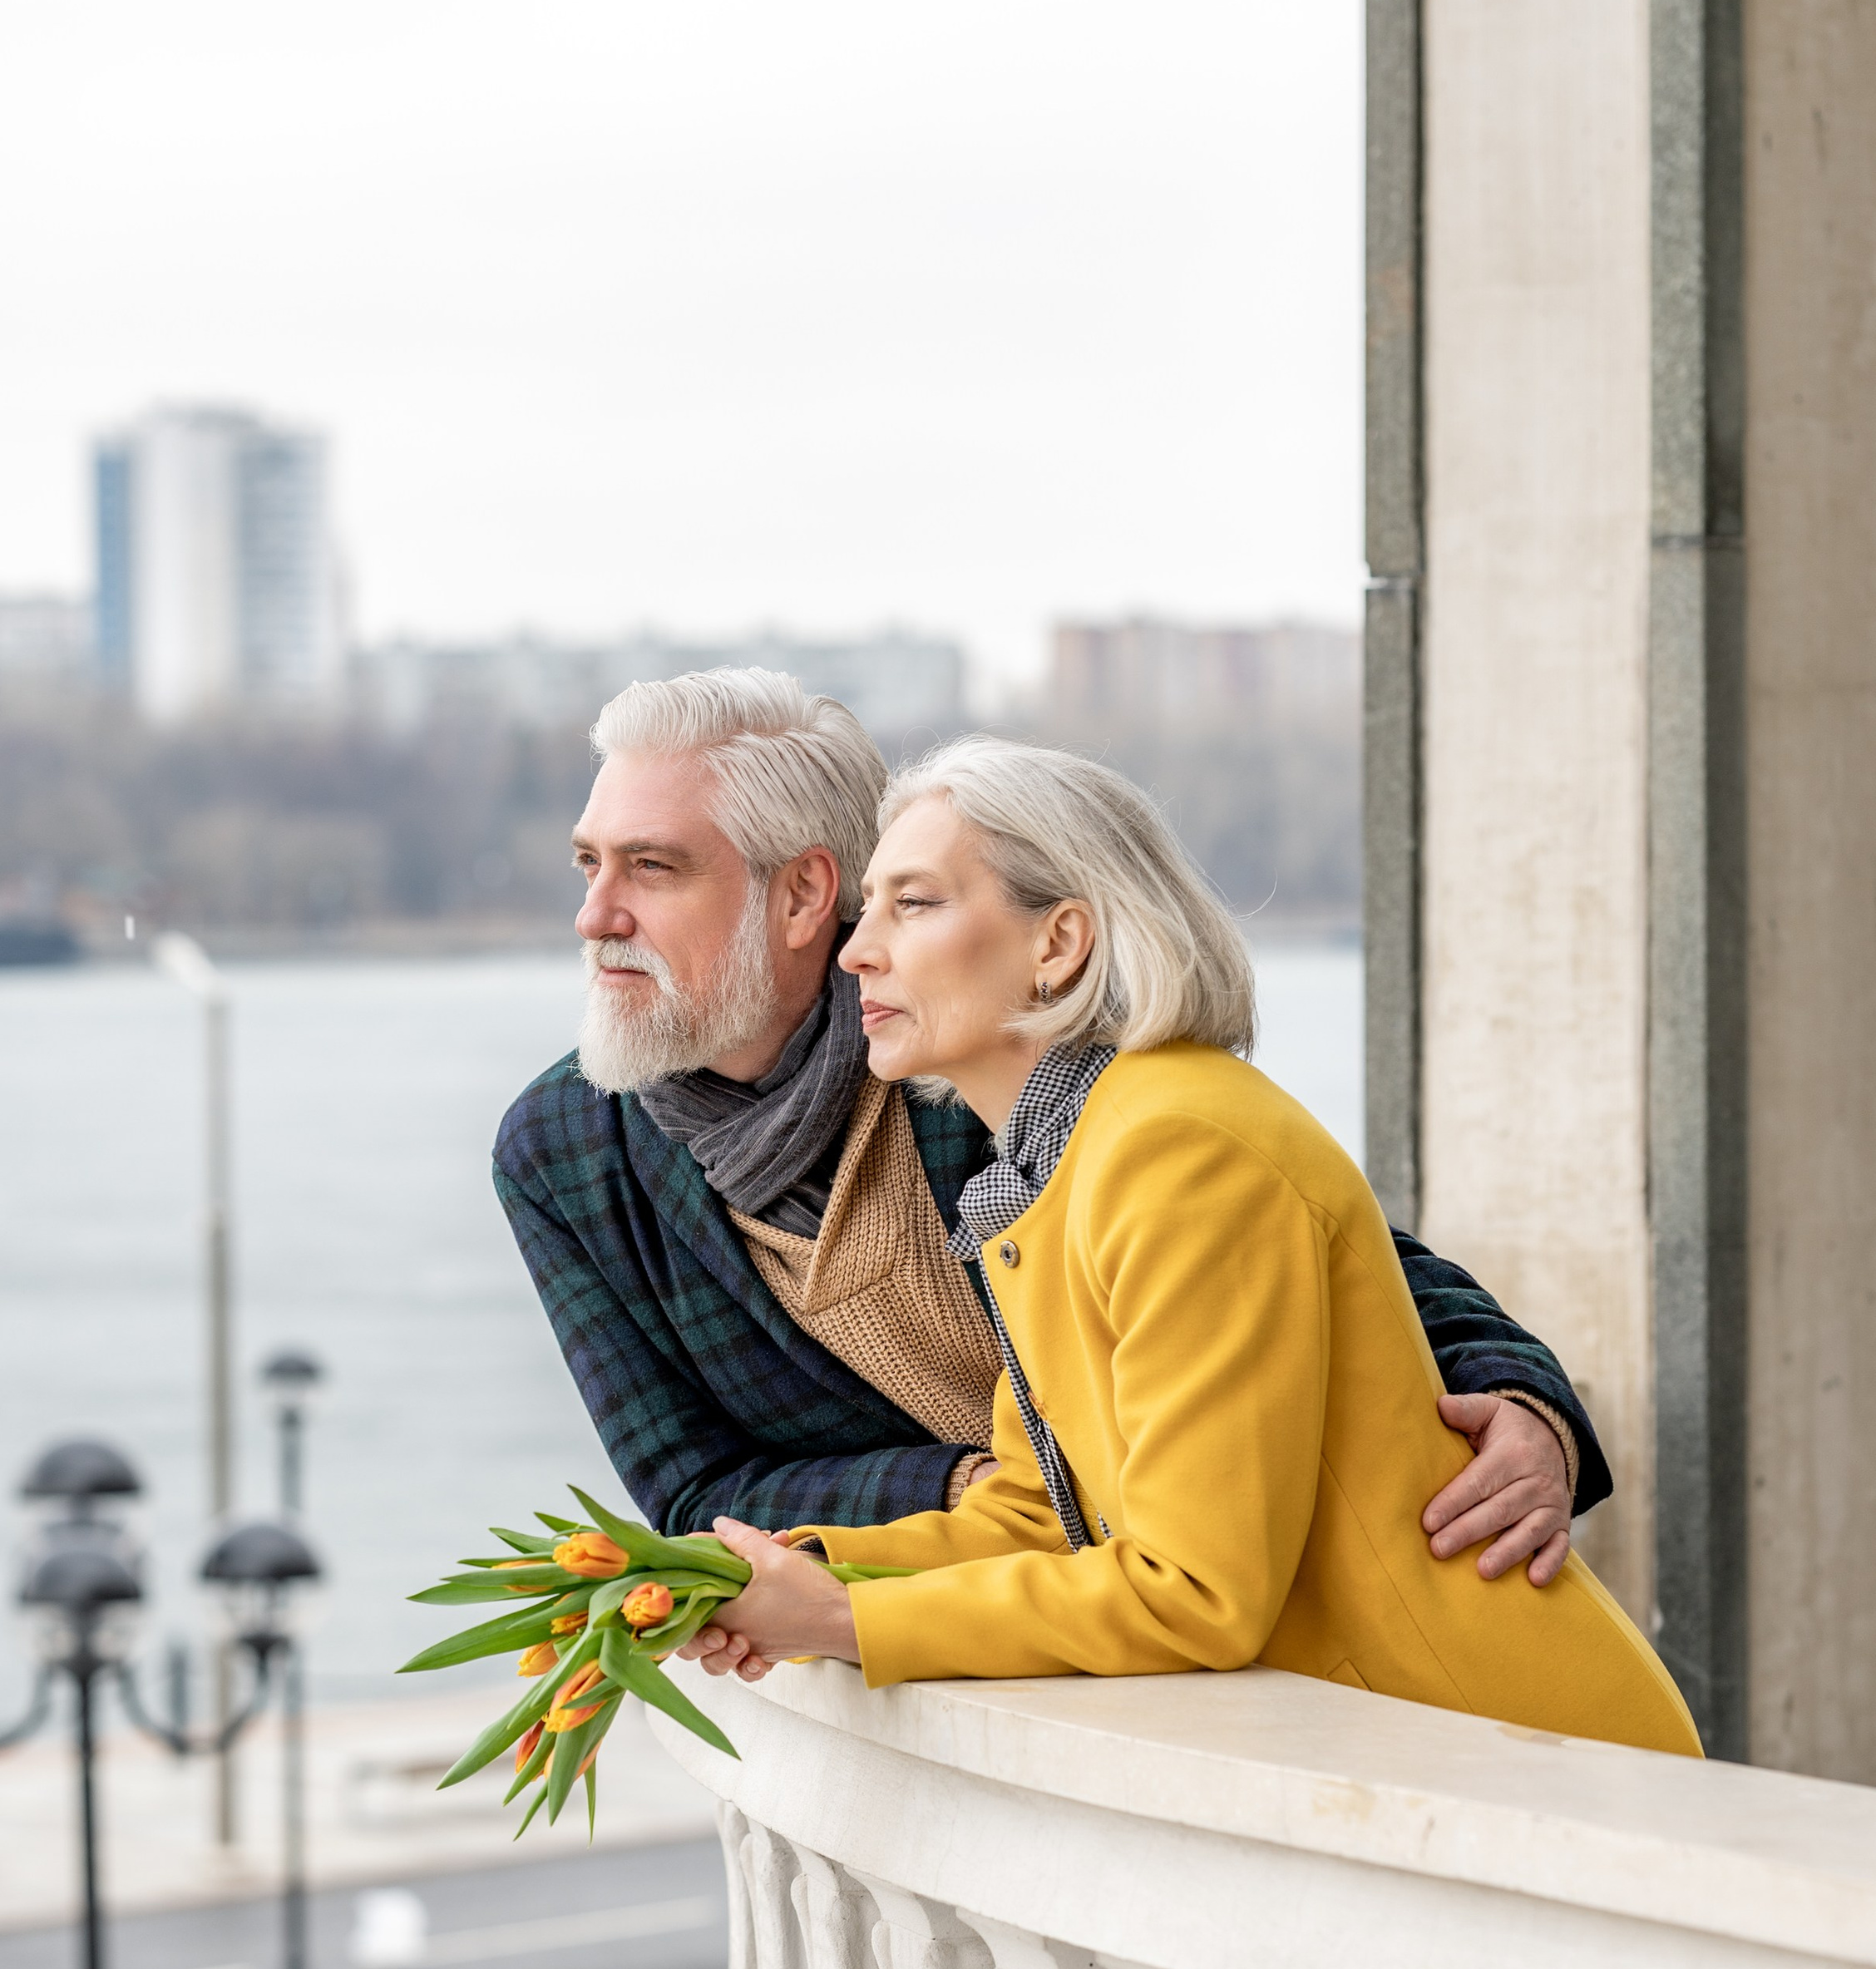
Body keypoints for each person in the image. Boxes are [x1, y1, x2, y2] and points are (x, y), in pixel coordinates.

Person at [682, 737, 1700, 1758]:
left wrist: (839, 1623)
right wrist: (783, 1569)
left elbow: (1196, 1593)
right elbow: (1045, 1515)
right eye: (873, 904)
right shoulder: (1053, 1168)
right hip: (1418, 1754)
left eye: (916, 902)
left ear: (1059, 942)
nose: (859, 948)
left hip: (1511, 1749)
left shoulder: (1175, 1148)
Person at [495, 668, 1601, 1582]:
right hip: (1047, 1605)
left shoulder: (978, 1033)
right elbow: (694, 1493)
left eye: (654, 868)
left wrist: (1525, 1403)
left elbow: (1309, 1240)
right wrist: (979, 1490)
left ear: (800, 898)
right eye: (591, 864)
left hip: (1309, 1579)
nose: (596, 916)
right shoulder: (561, 1156)